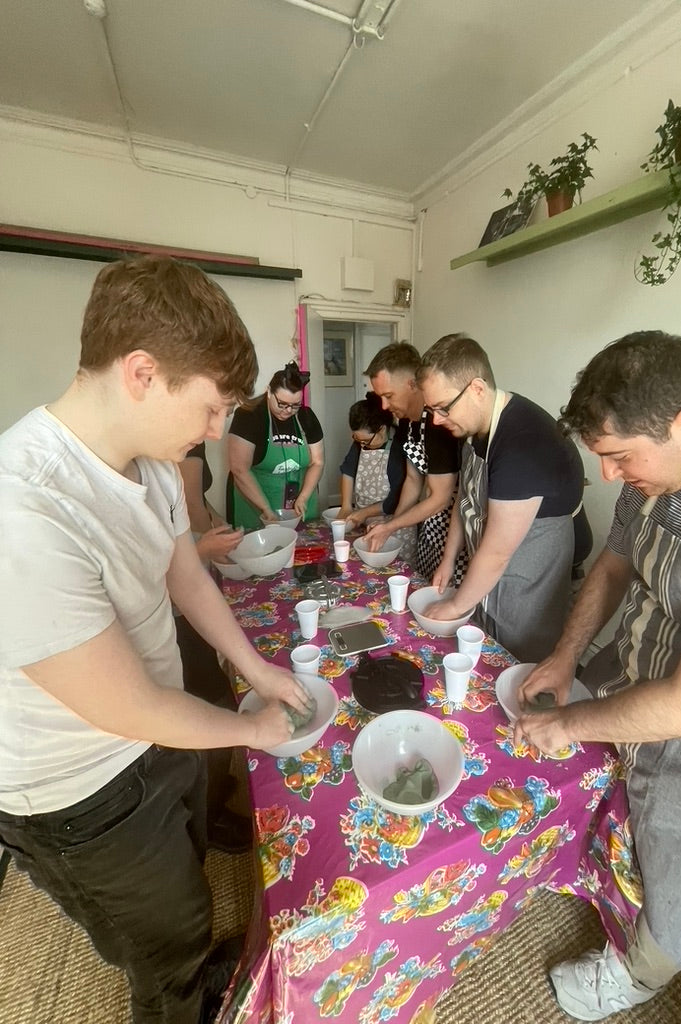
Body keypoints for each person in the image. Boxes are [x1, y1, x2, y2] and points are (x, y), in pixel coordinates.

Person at [0, 255, 311, 1024]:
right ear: (141, 373)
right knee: (165, 941)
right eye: (209, 408)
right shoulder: (26, 510)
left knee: (191, 881)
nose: (216, 430)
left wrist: (256, 669)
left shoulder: (156, 469)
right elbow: (129, 708)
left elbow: (186, 579)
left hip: (157, 729)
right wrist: (249, 729)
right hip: (79, 791)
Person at [516, 331, 681, 1020]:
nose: (607, 477)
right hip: (642, 673)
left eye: (619, 457)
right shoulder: (657, 478)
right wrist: (567, 655)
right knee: (617, 818)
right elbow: (612, 565)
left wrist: (569, 721)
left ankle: (640, 973)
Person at [417, 334, 585, 664]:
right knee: (484, 653)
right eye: (430, 409)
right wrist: (448, 560)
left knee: (518, 663)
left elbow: (496, 553)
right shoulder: (473, 428)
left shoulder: (523, 441)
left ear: (477, 389)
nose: (435, 419)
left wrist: (453, 606)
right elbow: (464, 499)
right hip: (493, 570)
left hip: (530, 577)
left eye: (442, 408)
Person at [177, 442, 251, 855]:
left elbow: (196, 501)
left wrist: (217, 527)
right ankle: (207, 818)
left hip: (184, 595)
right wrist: (204, 547)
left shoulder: (189, 437)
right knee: (214, 702)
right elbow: (186, 508)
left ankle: (216, 790)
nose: (215, 428)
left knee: (215, 691)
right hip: (171, 611)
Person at [365, 342, 466, 582]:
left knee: (445, 594)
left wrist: (392, 526)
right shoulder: (406, 422)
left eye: (388, 396)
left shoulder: (438, 424)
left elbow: (440, 499)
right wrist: (393, 526)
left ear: (412, 384)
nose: (384, 406)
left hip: (454, 529)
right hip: (429, 526)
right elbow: (413, 479)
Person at [226, 361, 324, 529]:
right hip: (256, 504)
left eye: (295, 406)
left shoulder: (306, 417)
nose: (288, 411)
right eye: (282, 404)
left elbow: (317, 462)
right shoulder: (249, 416)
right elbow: (240, 469)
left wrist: (303, 497)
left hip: (300, 501)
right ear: (269, 392)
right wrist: (265, 509)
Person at [337, 392, 414, 558]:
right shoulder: (361, 443)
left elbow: (396, 499)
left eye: (366, 441)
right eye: (358, 440)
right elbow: (348, 471)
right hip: (366, 522)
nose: (362, 445)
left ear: (382, 430)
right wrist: (346, 506)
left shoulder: (398, 448)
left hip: (395, 524)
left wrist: (364, 512)